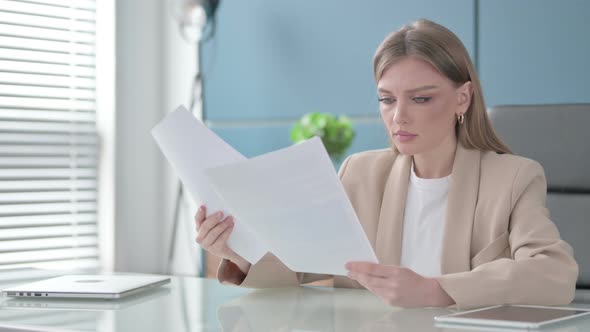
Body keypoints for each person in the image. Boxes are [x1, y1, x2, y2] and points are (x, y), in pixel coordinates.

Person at [193, 19, 579, 309]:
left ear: (463, 98)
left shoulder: (513, 177)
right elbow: (301, 264)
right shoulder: (361, 174)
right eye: (387, 100)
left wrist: (437, 290)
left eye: (421, 99)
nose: (399, 118)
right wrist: (236, 252)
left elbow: (555, 275)